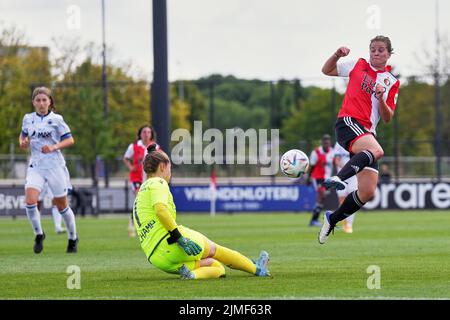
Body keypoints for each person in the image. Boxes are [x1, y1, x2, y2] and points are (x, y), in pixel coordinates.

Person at [133, 144, 270, 280]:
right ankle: (257, 269)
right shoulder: (158, 183)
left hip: (157, 258)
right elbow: (160, 210)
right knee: (216, 250)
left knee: (217, 267)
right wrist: (179, 238)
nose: (170, 172)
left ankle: (192, 275)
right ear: (163, 166)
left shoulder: (141, 193)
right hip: (171, 243)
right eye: (170, 168)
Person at [318, 35, 400, 244]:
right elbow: (326, 70)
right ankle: (339, 177)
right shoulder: (358, 65)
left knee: (367, 191)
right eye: (373, 49)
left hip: (367, 133)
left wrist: (381, 97)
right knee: (378, 150)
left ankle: (332, 219)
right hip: (348, 122)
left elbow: (388, 117)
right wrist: (336, 54)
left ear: (389, 54)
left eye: (381, 50)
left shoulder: (391, 82)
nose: (376, 52)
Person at [19, 86, 79, 253]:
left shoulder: (57, 119)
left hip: (54, 166)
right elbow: (23, 135)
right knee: (30, 202)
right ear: (33, 102)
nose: (41, 103)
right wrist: (22, 142)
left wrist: (54, 147)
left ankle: (73, 237)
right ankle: (39, 234)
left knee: (62, 206)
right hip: (36, 166)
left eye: (44, 100)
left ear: (50, 102)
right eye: (38, 100)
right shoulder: (28, 118)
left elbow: (70, 140)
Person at [123, 125, 157, 237]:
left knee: (147, 202)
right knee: (139, 199)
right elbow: (126, 158)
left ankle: (142, 224)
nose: (146, 134)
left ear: (151, 134)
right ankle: (132, 223)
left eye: (148, 132)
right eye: (144, 132)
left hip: (149, 178)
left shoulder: (155, 147)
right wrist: (130, 167)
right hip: (136, 177)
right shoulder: (134, 146)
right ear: (140, 134)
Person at [306, 134, 335, 227]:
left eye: (328, 142)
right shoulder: (316, 152)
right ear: (322, 142)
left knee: (322, 199)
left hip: (327, 179)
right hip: (317, 178)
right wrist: (308, 178)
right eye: (325, 142)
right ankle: (313, 220)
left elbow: (334, 164)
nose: (326, 143)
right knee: (321, 195)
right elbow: (312, 166)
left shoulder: (332, 152)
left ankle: (314, 219)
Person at [333, 142, 358, 233]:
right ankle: (345, 222)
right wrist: (346, 169)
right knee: (342, 199)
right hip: (342, 175)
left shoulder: (356, 141)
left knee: (353, 199)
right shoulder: (338, 144)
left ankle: (349, 224)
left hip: (354, 175)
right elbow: (337, 160)